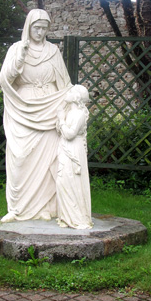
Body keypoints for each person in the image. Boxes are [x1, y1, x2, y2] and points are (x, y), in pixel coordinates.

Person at [0, 9, 72, 222]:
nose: (40, 32)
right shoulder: (16, 49)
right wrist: (19, 60)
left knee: (51, 158)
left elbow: (64, 84)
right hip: (23, 107)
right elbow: (5, 80)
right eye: (36, 27)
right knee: (20, 156)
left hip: (50, 107)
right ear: (28, 27)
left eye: (44, 28)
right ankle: (18, 208)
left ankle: (48, 208)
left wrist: (71, 107)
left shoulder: (53, 51)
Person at [56, 84, 93, 230]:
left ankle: (77, 217)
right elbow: (62, 131)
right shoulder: (69, 112)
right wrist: (61, 119)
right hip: (65, 147)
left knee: (72, 181)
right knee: (62, 181)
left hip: (73, 149)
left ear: (76, 97)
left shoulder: (79, 114)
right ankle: (66, 216)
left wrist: (62, 120)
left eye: (71, 91)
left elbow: (70, 134)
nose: (68, 92)